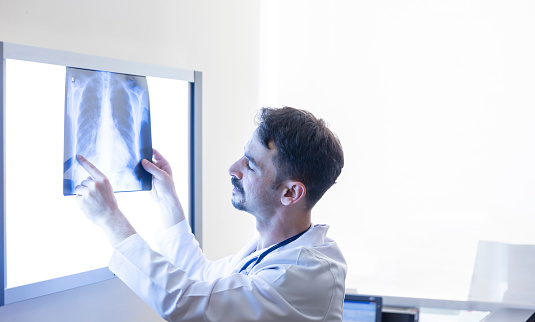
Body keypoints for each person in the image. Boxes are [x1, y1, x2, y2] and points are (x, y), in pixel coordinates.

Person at [75, 106, 347, 321]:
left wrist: (110, 219)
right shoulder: (271, 251)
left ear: (290, 193)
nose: (233, 168)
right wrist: (167, 200)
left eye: (250, 165)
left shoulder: (300, 275)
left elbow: (186, 302)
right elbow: (202, 277)